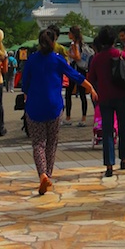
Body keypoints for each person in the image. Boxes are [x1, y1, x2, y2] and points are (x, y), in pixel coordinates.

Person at [23, 28, 97, 195]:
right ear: (54, 42)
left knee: (38, 143)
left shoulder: (32, 60)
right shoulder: (57, 60)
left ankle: (42, 174)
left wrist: (28, 93)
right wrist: (90, 87)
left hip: (34, 106)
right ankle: (48, 174)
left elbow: (25, 84)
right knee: (52, 142)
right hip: (54, 106)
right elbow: (75, 75)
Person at [87, 25, 125, 178]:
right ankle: (124, 158)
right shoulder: (120, 54)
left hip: (105, 97)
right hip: (122, 96)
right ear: (114, 40)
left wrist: (94, 91)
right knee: (123, 128)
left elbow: (90, 79)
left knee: (107, 131)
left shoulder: (97, 58)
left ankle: (109, 164)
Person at [65, 25, 91, 126]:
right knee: (82, 94)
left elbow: (77, 56)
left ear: (73, 34)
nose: (68, 35)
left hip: (75, 69)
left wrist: (69, 54)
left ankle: (68, 117)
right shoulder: (81, 43)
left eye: (69, 33)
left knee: (68, 93)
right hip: (82, 70)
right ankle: (83, 118)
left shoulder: (74, 44)